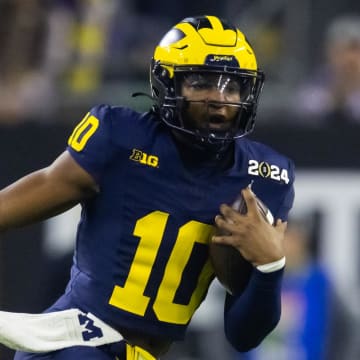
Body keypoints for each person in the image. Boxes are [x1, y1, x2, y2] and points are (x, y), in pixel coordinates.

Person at [0, 15, 295, 360]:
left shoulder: (264, 177)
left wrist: (270, 266)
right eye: (201, 83)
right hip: (76, 345)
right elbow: (34, 192)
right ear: (167, 84)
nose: (219, 98)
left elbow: (245, 336)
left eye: (232, 86)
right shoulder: (120, 137)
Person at [292, 15, 360, 126]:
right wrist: (339, 92)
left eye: (354, 50)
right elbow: (305, 109)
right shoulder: (317, 84)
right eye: (340, 51)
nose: (348, 58)